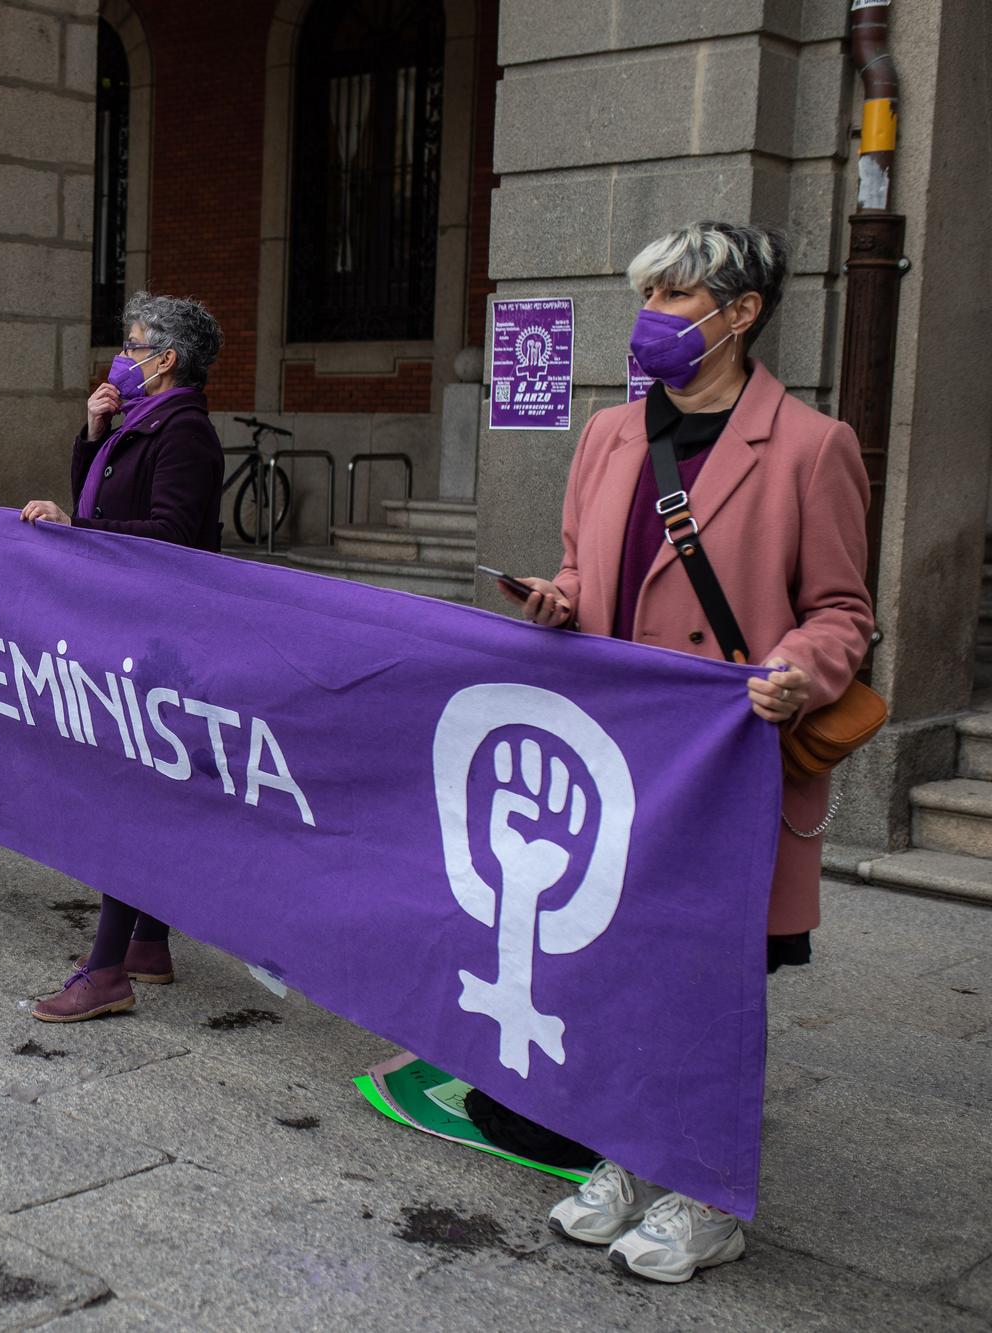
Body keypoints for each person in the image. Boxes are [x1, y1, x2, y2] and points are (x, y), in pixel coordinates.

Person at [498, 222, 873, 1283]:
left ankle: (704, 1192)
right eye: (648, 296)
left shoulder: (809, 445)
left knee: (707, 977)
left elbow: (843, 608)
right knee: (614, 961)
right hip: (620, 753)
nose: (650, 318)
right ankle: (626, 1152)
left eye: (671, 298)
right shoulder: (609, 434)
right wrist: (557, 600)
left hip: (726, 760)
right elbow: (584, 570)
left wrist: (802, 667)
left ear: (738, 312)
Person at [17, 292, 227, 1023]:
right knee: (143, 791)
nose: (123, 355)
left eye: (134, 345)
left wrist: (78, 528)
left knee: (126, 798)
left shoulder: (185, 432)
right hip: (130, 627)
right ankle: (148, 941)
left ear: (166, 360)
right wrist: (93, 430)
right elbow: (98, 500)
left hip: (158, 639)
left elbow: (169, 532)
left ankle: (106, 970)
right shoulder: (142, 421)